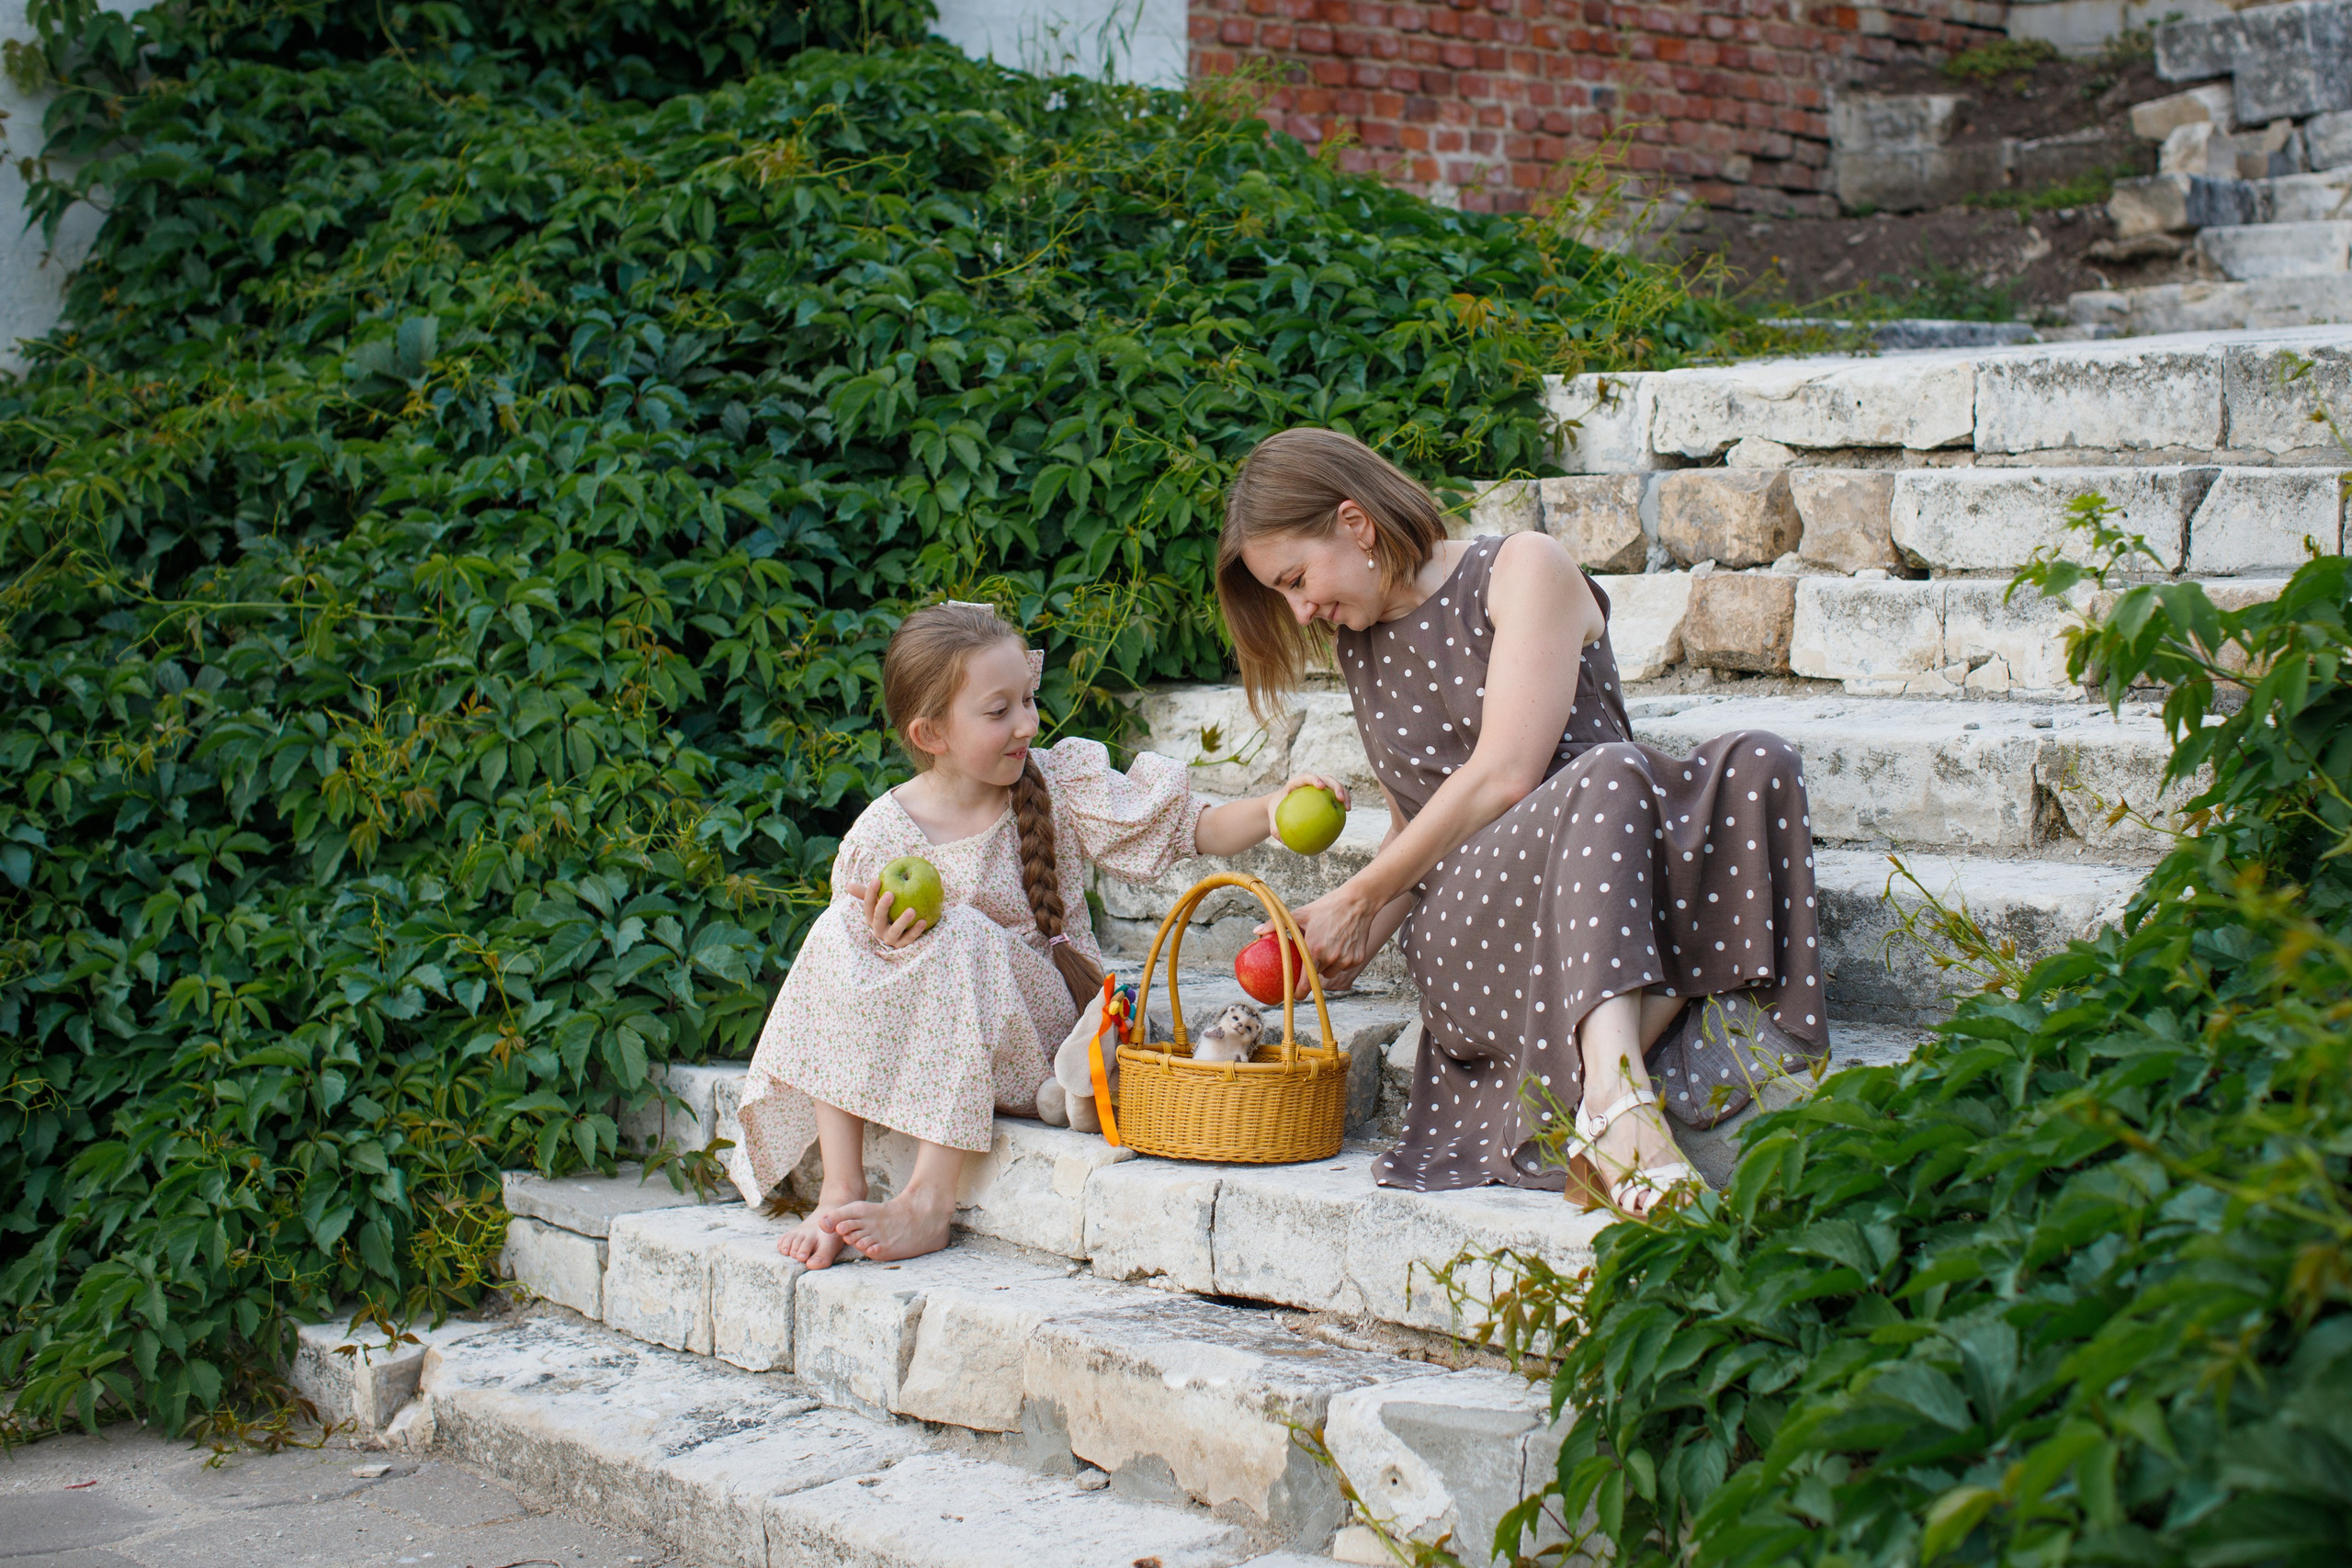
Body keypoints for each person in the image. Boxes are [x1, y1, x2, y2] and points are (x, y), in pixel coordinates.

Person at [1217, 429, 1828, 1217]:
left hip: (1607, 889)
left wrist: (1362, 897)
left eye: (1297, 578)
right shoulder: (1359, 642)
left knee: (1758, 763)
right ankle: (1615, 1104)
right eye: (1285, 593)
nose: (1300, 609)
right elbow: (1418, 823)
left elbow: (1507, 771)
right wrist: (1352, 930)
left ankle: (1592, 1081)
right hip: (1481, 938)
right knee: (1610, 776)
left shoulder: (1521, 569)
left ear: (1354, 521)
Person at [728, 601, 1344, 1267]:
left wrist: (1273, 811)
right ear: (931, 733)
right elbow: (844, 992)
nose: (1027, 721)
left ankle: (929, 1201)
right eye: (999, 711)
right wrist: (880, 936)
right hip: (943, 1054)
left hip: (1045, 1038)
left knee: (956, 926)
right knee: (841, 925)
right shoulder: (883, 833)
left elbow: (1185, 825)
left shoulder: (1055, 781)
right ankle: (840, 1187)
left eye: (1028, 697)